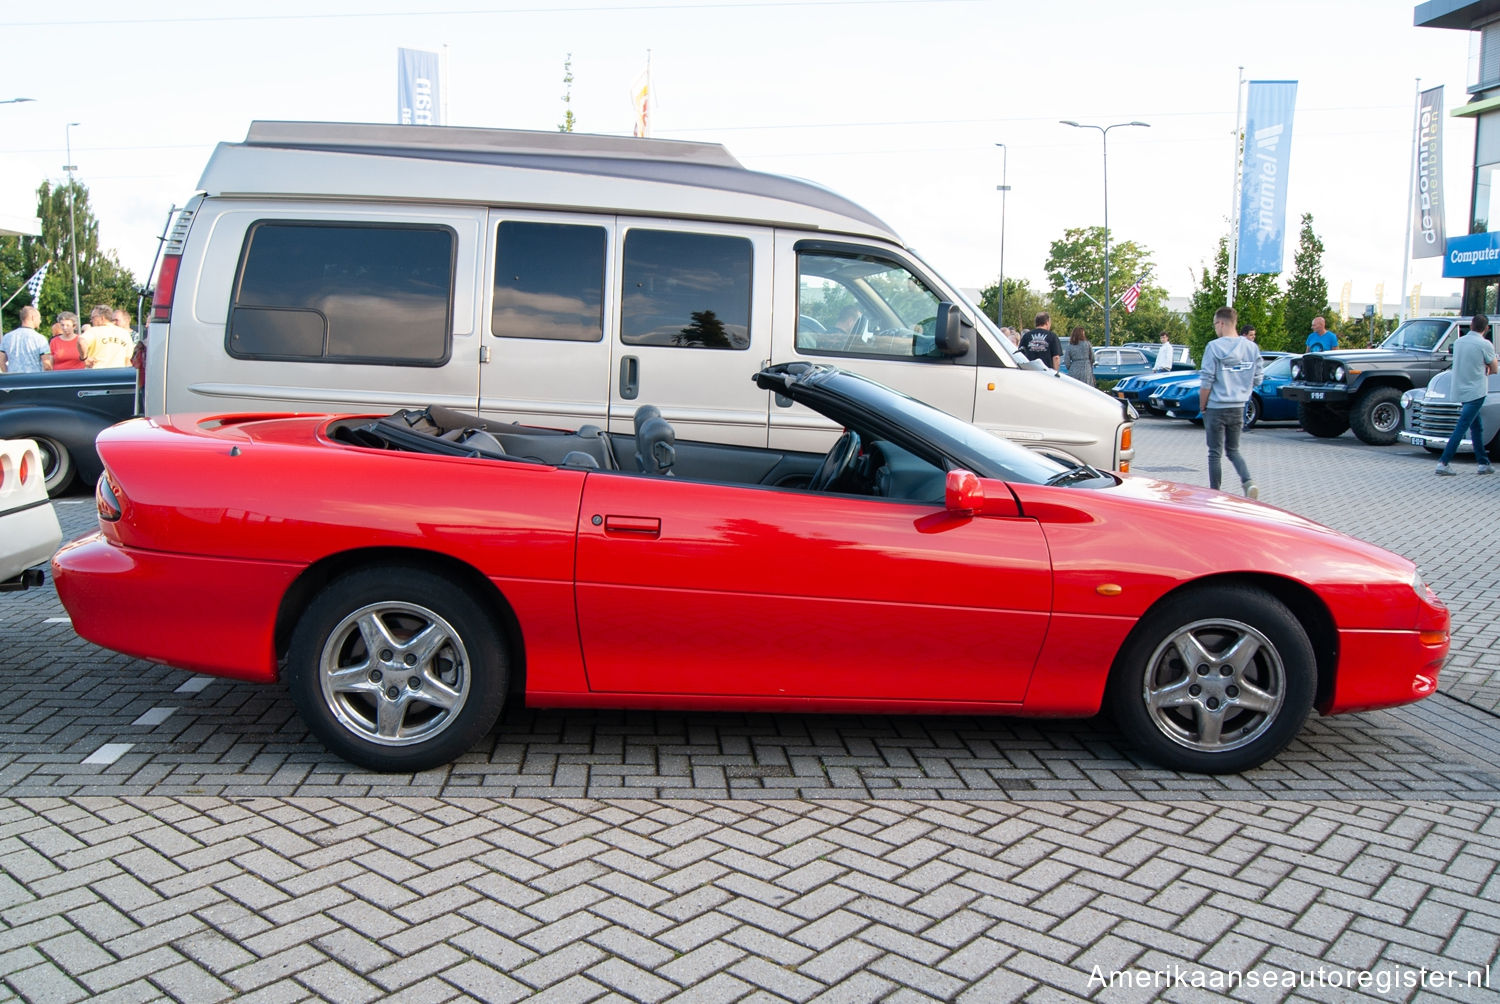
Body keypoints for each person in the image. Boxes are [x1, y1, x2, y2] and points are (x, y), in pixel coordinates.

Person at [1199, 306, 1264, 498]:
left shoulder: (1214, 347)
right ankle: (1248, 482)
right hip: (1239, 406)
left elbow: (1207, 380)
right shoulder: (1251, 348)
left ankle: (1215, 492)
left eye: (1215, 325)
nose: (1215, 329)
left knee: (1214, 453)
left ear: (1220, 323)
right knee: (1233, 450)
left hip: (1216, 406)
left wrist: (1203, 404)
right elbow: (1259, 378)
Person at [1434, 313, 1498, 476]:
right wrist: (1487, 368)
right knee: (1462, 426)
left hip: (1460, 389)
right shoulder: (1485, 344)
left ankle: (1483, 462)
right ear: (1486, 328)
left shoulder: (1459, 342)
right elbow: (1495, 368)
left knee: (1476, 427)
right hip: (1476, 391)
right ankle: (1443, 462)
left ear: (1471, 326)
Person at [0, 306, 54, 373]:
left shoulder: (7, 337)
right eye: (39, 318)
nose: (40, 321)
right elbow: (47, 365)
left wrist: (8, 373)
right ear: (32, 317)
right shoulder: (40, 339)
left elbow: (1, 361)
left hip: (13, 380)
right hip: (34, 379)